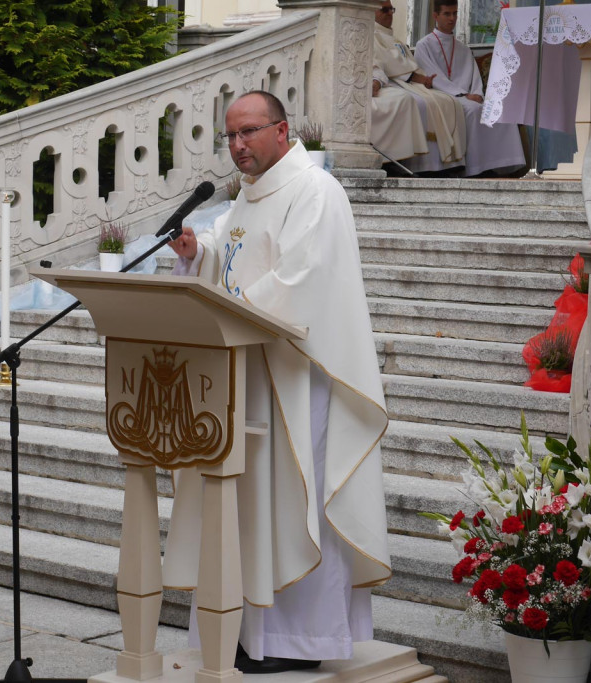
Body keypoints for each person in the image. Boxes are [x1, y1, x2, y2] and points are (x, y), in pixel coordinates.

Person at [163, 91, 391, 673]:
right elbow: (233, 254)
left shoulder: (316, 191)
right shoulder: (248, 196)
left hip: (296, 378)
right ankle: (243, 631)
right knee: (247, 507)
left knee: (294, 502)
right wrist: (197, 253)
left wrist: (227, 306)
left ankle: (301, 640)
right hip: (246, 374)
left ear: (282, 129)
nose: (237, 146)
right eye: (230, 136)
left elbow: (301, 279)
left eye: (248, 132)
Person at [414, 0, 525, 177]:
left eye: (455, 13)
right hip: (443, 97)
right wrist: (464, 95)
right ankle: (474, 168)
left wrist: (476, 94)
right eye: (447, 14)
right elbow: (433, 77)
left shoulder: (463, 48)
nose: (452, 18)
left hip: (467, 97)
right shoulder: (423, 45)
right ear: (435, 16)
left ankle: (498, 164)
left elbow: (474, 77)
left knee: (498, 112)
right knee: (473, 112)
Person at [373, 0, 466, 173]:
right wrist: (416, 77)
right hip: (395, 83)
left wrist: (422, 78)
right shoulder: (372, 35)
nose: (390, 13)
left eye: (391, 9)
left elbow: (407, 63)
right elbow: (388, 64)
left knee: (450, 101)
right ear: (372, 11)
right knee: (422, 104)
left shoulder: (394, 38)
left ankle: (447, 162)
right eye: (384, 10)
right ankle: (422, 165)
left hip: (409, 81)